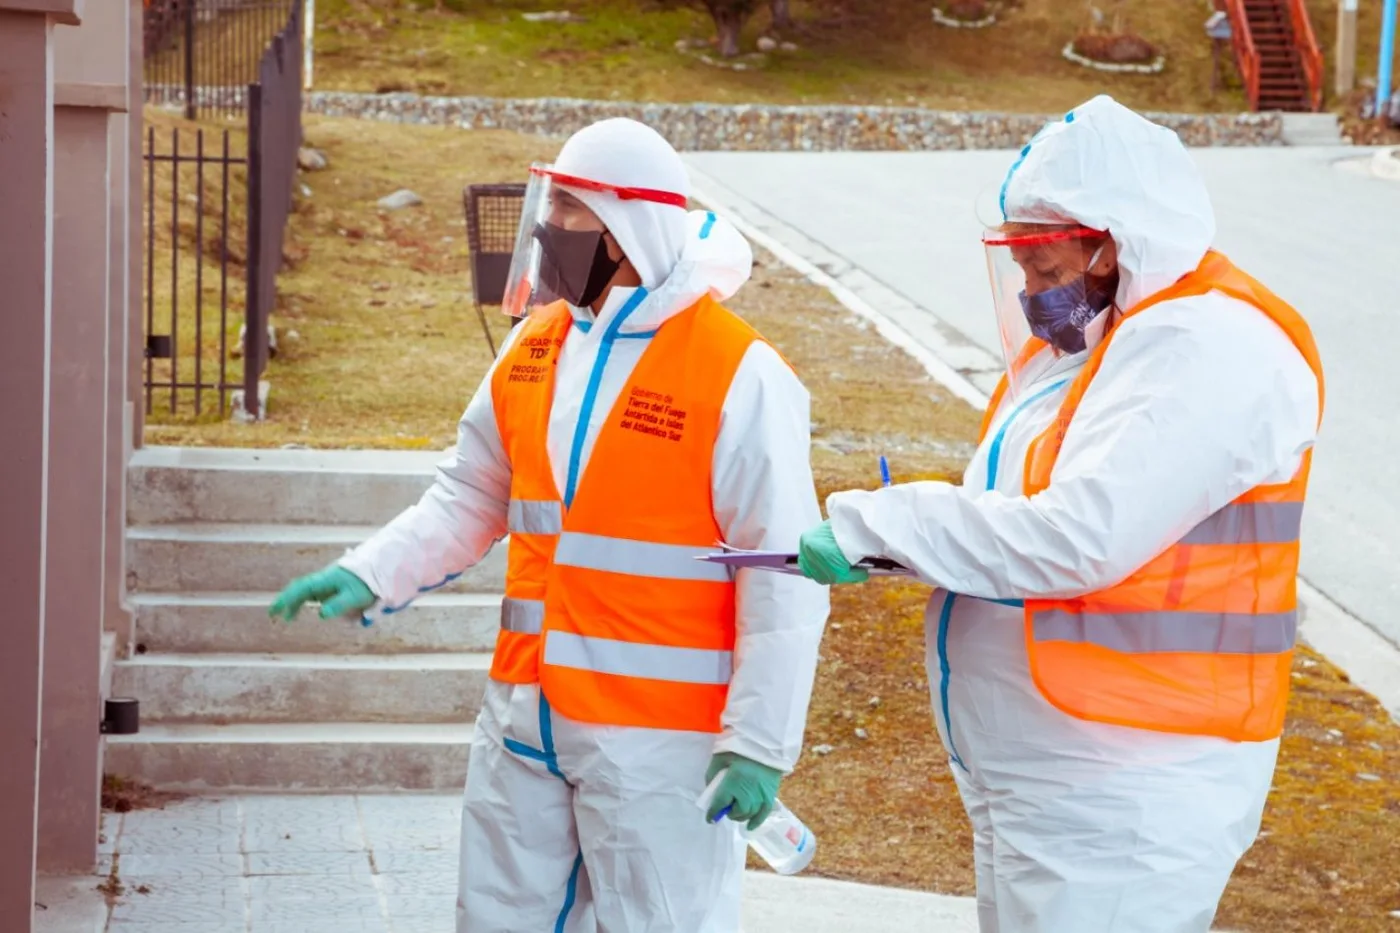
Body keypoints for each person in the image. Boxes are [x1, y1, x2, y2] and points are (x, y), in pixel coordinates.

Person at [269, 118, 830, 932]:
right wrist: (372, 570)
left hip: (659, 747)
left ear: (628, 226)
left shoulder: (740, 373)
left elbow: (782, 574)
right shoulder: (536, 345)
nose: (547, 225)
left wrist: (760, 741)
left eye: (566, 206)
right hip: (522, 720)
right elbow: (469, 494)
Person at [797, 95, 1324, 933]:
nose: (1033, 293)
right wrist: (909, 549)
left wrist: (884, 523)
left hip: (1130, 793)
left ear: (1111, 246)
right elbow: (1015, 512)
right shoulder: (1103, 342)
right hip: (1056, 789)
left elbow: (1079, 537)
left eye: (1046, 270)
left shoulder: (1208, 345)